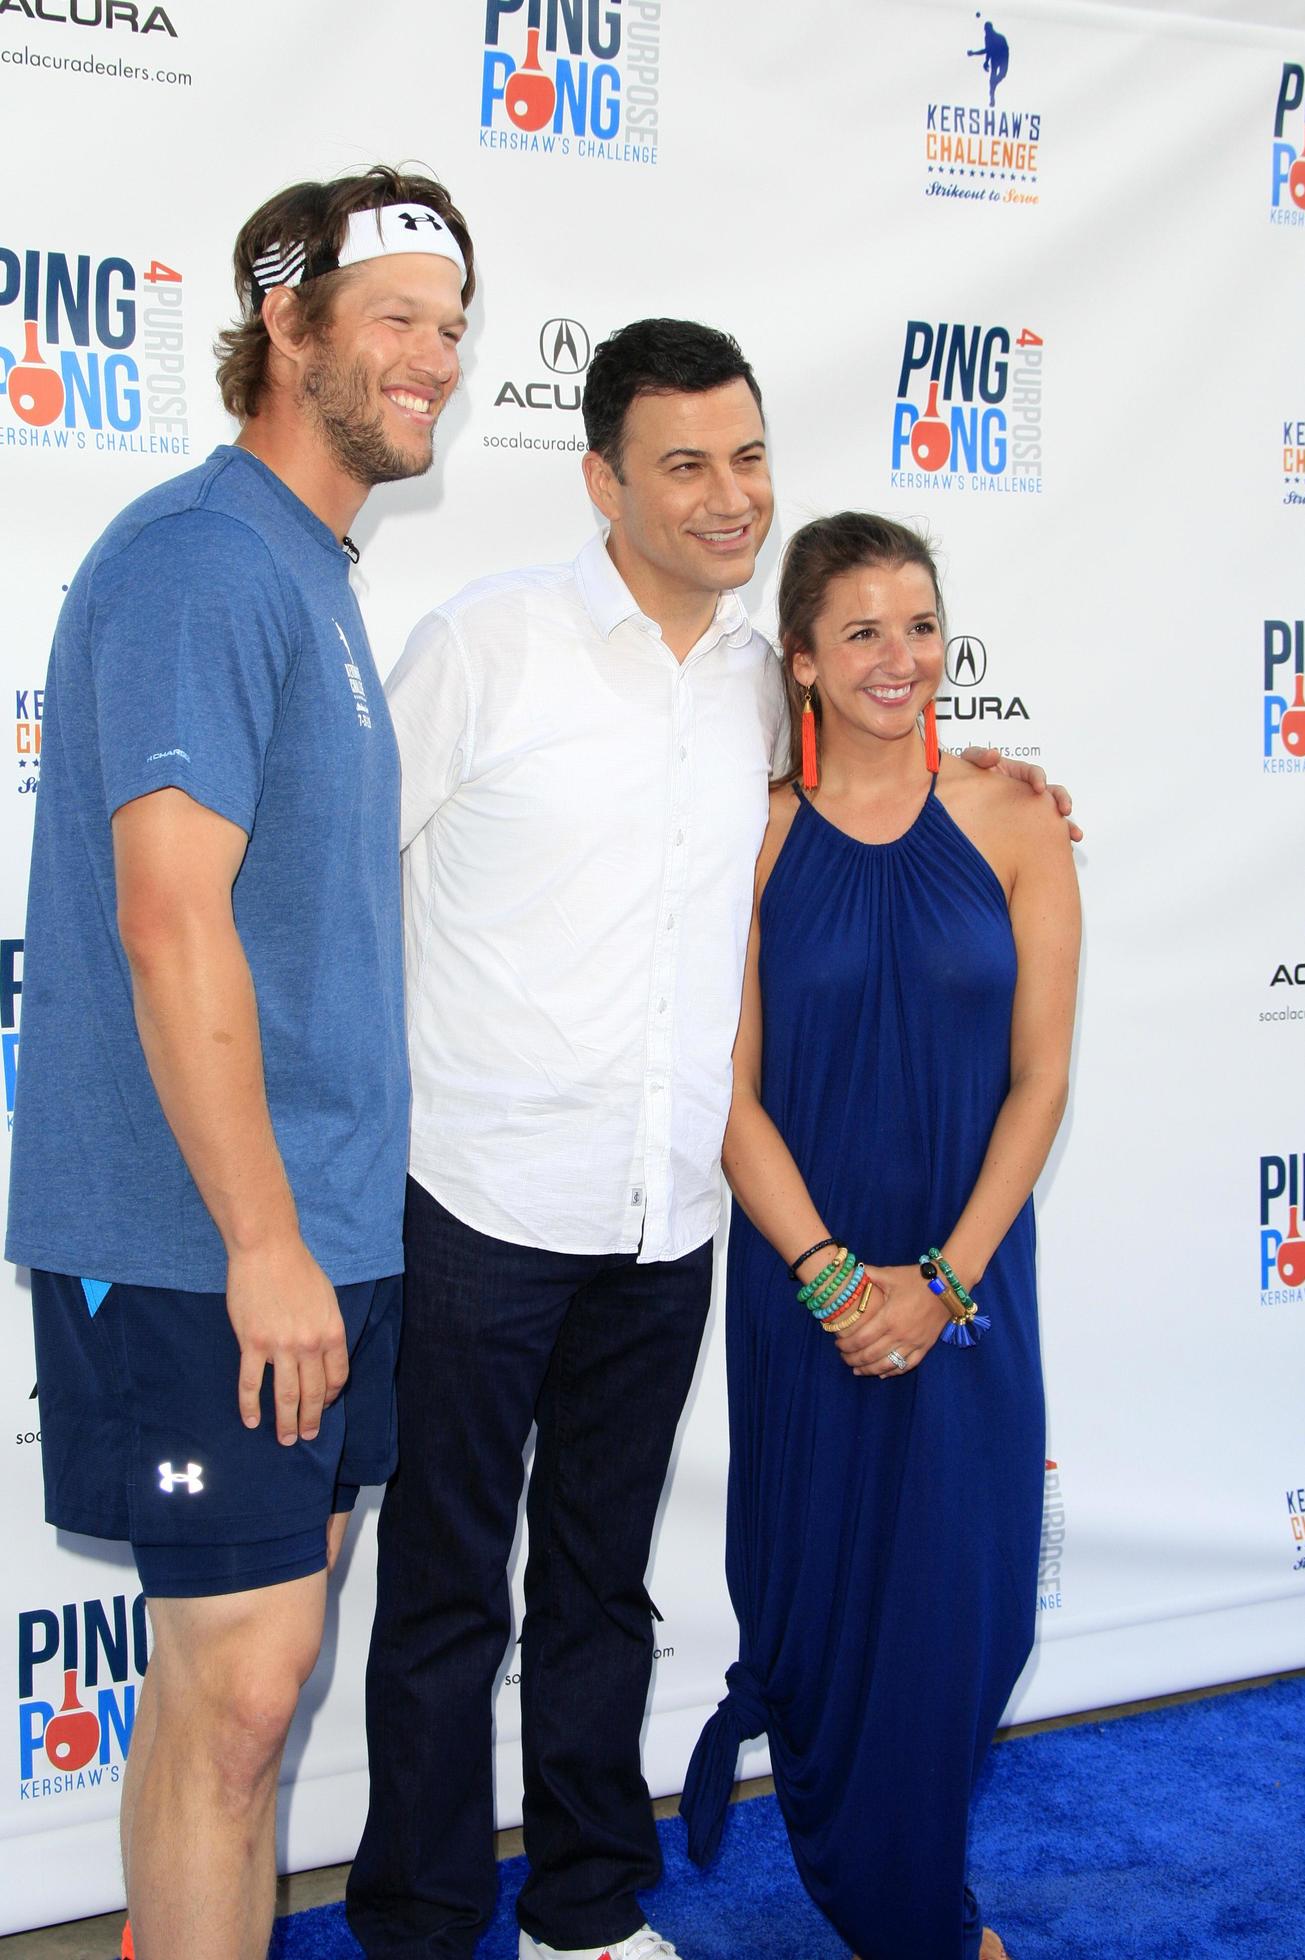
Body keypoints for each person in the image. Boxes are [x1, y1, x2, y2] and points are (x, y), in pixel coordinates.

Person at [347, 324, 1074, 1960]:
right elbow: (342, 881)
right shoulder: (489, 646)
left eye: (748, 457)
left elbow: (881, 765)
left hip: (663, 1216)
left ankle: (588, 1917)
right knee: (448, 1590)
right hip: (476, 1195)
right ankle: (416, 1924)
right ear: (604, 478)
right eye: (685, 462)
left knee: (602, 1583)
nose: (728, 493)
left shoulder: (764, 680)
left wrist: (989, 775)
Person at [4, 165, 474, 1960]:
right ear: (284, 324)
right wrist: (267, 1245)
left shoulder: (312, 570)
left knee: (245, 1696)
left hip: (321, 1233)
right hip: (214, 1242)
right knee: (244, 1697)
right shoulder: (204, 557)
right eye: (395, 318)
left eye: (451, 326)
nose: (433, 357)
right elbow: (166, 921)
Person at [680, 512, 1080, 1960]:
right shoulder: (752, 834)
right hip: (813, 1293)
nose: (898, 658)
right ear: (799, 656)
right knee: (829, 1611)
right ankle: (918, 1921)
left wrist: (945, 1285)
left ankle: (916, 1903)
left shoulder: (1019, 821)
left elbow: (1040, 1081)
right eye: (860, 630)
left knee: (966, 1615)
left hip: (971, 1290)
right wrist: (844, 1281)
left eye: (921, 626)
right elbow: (722, 1091)